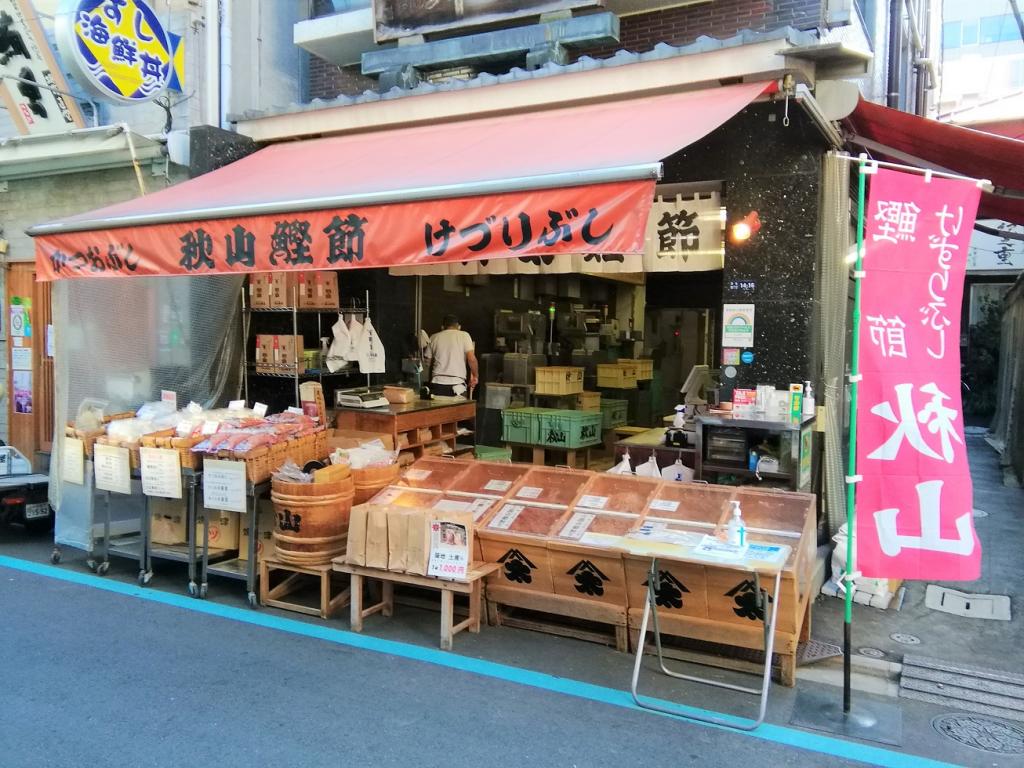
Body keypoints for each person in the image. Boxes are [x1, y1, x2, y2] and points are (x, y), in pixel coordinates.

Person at [425, 314, 478, 398]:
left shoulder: (434, 337)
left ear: (442, 327)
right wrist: (475, 376)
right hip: (457, 385)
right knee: (458, 411)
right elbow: (471, 359)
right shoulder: (464, 335)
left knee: (438, 410)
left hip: (437, 383)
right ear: (459, 326)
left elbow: (427, 361)